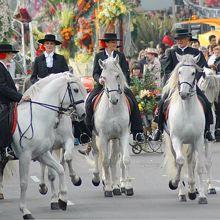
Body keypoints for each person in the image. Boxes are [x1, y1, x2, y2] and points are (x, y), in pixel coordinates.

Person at [78, 33, 144, 155]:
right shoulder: (99, 55)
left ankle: (137, 132)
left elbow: (125, 71)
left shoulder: (120, 55)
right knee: (88, 102)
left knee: (133, 101)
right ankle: (87, 133)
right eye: (112, 42)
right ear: (106, 43)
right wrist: (100, 80)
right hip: (103, 84)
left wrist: (123, 83)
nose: (114, 44)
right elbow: (95, 73)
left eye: (115, 42)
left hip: (118, 85)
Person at [153, 28, 214, 142]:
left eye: (182, 39)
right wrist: (175, 80)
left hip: (192, 85)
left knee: (206, 102)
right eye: (177, 39)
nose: (179, 41)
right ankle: (159, 129)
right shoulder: (171, 52)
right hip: (176, 84)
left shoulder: (196, 53)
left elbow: (201, 69)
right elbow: (167, 70)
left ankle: (207, 130)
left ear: (188, 40)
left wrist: (193, 80)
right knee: (162, 102)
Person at [0, 43, 30, 160]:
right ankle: (4, 148)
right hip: (2, 102)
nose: (12, 56)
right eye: (10, 53)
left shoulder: (3, 67)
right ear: (4, 54)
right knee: (4, 120)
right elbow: (2, 87)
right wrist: (20, 97)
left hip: (7, 101)